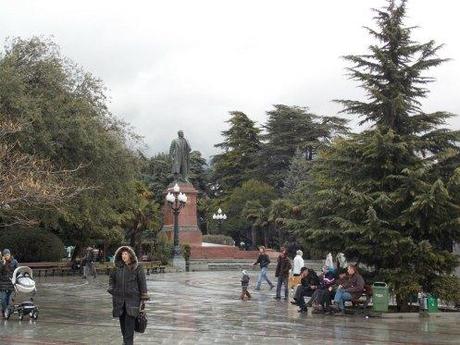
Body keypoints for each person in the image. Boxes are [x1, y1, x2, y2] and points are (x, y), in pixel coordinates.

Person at [108, 246, 149, 345]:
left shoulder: (137, 267)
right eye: (122, 254)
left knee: (129, 331)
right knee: (124, 330)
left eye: (125, 254)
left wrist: (143, 300)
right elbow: (111, 281)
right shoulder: (116, 268)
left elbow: (142, 284)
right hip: (119, 302)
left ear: (130, 255)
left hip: (132, 302)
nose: (123, 256)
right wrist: (113, 290)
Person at [0, 249, 19, 317]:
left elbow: (17, 271)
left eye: (8, 255)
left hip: (11, 283)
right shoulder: (1, 262)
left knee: (7, 299)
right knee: (2, 299)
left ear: (10, 254)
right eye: (5, 255)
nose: (7, 256)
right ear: (3, 256)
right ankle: (5, 311)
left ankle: (5, 313)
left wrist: (18, 280)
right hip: (2, 284)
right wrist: (3, 263)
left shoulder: (14, 261)